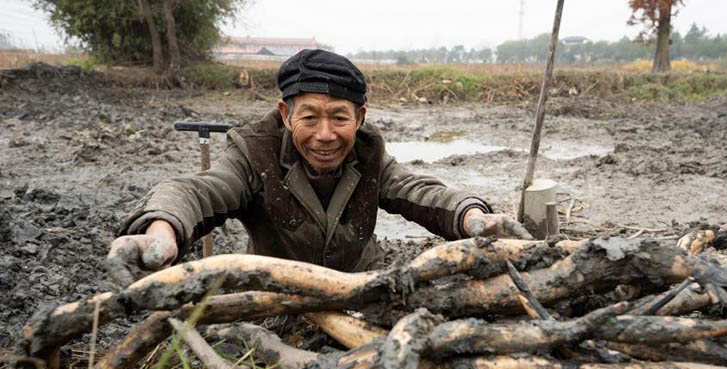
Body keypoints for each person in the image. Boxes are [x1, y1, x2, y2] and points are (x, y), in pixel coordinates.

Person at [107, 50, 530, 285]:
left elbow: (420, 191)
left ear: (360, 118)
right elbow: (199, 192)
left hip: (365, 289)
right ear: (285, 113)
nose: (325, 135)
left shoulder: (369, 153)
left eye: (340, 118)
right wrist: (162, 232)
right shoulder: (254, 152)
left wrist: (473, 217)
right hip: (278, 297)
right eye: (309, 117)